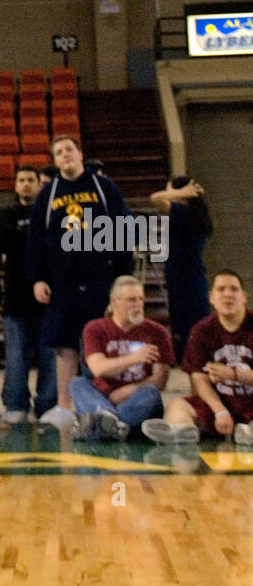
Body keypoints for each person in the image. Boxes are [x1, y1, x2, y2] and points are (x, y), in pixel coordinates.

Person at [26, 134, 134, 429]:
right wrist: (38, 279)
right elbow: (35, 240)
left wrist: (125, 277)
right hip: (63, 282)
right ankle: (64, 406)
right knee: (65, 348)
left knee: (100, 346)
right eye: (59, 152)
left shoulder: (103, 186)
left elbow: (124, 228)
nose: (65, 155)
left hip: (100, 278)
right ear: (55, 159)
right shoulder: (48, 195)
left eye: (69, 149)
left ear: (79, 154)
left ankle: (99, 404)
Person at [143, 270, 253, 447]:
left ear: (244, 296)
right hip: (220, 401)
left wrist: (233, 375)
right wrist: (220, 411)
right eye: (221, 289)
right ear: (211, 297)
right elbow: (198, 378)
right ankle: (181, 432)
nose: (227, 295)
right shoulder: (201, 330)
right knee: (177, 406)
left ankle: (248, 432)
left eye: (234, 289)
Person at [72, 276, 173, 440]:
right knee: (78, 384)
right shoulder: (94, 328)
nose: (138, 305)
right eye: (131, 300)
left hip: (137, 398)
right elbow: (99, 368)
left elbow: (160, 379)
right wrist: (133, 358)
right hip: (103, 396)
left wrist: (128, 391)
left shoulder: (157, 332)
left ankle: (102, 424)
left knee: (151, 394)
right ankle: (113, 423)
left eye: (141, 299)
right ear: (115, 302)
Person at [0, 165, 55, 424]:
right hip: (16, 299)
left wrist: (28, 240)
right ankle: (16, 403)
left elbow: (54, 243)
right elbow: (4, 241)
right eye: (22, 180)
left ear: (39, 184)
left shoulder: (51, 213)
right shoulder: (6, 214)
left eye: (31, 179)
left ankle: (48, 405)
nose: (26, 184)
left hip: (48, 299)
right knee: (16, 357)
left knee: (49, 356)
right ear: (16, 185)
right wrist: (34, 239)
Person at [149, 177, 212, 361]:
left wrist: (181, 193)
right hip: (182, 283)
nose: (170, 196)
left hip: (188, 285)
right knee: (185, 339)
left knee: (190, 341)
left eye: (172, 192)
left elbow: (155, 198)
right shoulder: (185, 215)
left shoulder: (184, 213)